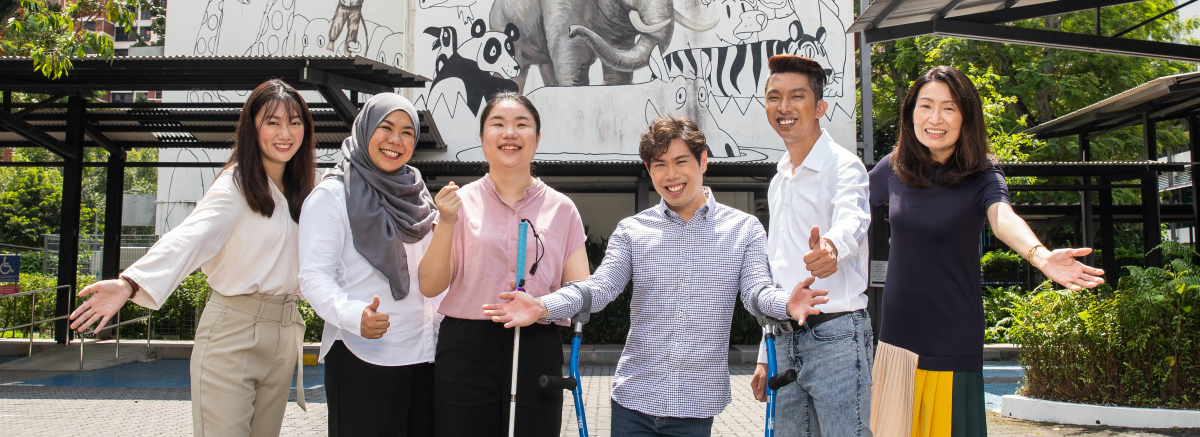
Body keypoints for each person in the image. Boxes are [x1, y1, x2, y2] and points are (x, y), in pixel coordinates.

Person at [483, 116, 830, 437]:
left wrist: (786, 302)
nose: (671, 175)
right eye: (659, 165)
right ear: (649, 171)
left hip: (696, 404)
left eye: (681, 162)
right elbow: (600, 288)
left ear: (703, 161)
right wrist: (542, 306)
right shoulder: (633, 230)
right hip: (633, 398)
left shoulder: (744, 229)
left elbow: (756, 291)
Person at [69, 79, 317, 437]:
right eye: (272, 122)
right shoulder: (236, 185)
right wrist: (129, 283)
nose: (285, 133)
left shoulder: (303, 194)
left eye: (295, 122)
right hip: (234, 333)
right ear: (253, 127)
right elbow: (190, 236)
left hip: (284, 333)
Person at [868, 65, 1105, 436]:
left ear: (966, 116)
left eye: (948, 108)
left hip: (951, 336)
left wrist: (1041, 257)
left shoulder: (983, 173)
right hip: (897, 336)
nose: (935, 118)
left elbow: (1002, 218)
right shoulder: (894, 167)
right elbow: (849, 212)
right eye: (925, 105)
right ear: (910, 111)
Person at [416, 92, 591, 437]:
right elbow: (430, 285)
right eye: (498, 124)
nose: (510, 133)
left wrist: (542, 307)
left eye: (521, 125)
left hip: (537, 344)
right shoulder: (458, 203)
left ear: (537, 139)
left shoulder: (562, 209)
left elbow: (583, 292)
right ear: (482, 139)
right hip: (466, 349)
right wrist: (447, 222)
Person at [298, 93, 440, 437]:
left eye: (407, 132)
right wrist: (352, 314)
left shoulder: (419, 195)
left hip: (427, 354)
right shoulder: (331, 196)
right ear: (364, 130)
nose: (396, 140)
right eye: (386, 127)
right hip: (365, 355)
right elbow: (313, 277)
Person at [749, 54, 874, 436]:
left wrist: (833, 246)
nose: (783, 107)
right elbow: (779, 270)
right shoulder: (778, 179)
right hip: (784, 338)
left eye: (796, 96)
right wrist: (763, 351)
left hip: (836, 335)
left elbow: (853, 217)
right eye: (774, 97)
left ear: (819, 106)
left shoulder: (843, 165)